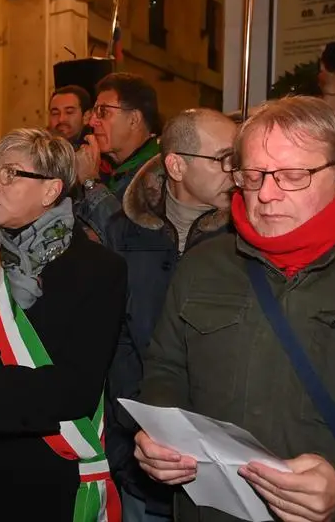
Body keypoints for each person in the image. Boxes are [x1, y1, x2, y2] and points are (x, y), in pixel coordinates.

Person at [136, 96, 335, 522]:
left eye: (293, 175)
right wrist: (161, 439)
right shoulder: (204, 266)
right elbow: (165, 371)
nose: (266, 195)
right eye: (252, 176)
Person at [0, 128, 127, 522]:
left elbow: (77, 388)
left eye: (11, 174)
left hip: (47, 470)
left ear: (51, 190)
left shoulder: (100, 270)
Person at [103, 109, 236, 521]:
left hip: (226, 459)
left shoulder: (247, 236)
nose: (238, 171)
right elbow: (112, 340)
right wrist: (128, 436)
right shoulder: (118, 233)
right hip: (140, 456)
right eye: (225, 159)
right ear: (177, 165)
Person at [75, 73, 162, 238]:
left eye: (103, 111)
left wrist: (90, 182)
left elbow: (126, 239)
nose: (92, 122)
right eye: (94, 112)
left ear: (134, 119)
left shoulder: (158, 175)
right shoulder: (105, 167)